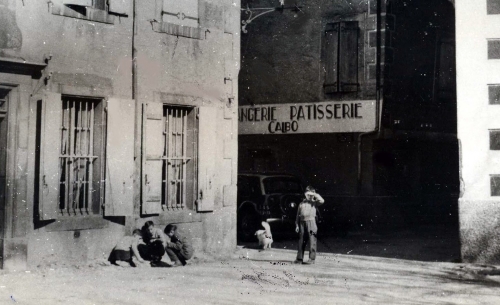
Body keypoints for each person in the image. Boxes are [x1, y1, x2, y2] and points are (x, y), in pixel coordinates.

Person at [294, 185, 325, 265]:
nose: (309, 196)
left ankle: (311, 259)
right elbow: (298, 215)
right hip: (302, 223)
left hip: (311, 222)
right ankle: (299, 258)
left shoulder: (314, 203)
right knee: (301, 241)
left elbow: (322, 201)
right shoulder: (301, 203)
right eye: (308, 195)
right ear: (305, 194)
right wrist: (297, 225)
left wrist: (314, 194)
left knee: (312, 241)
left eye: (311, 195)